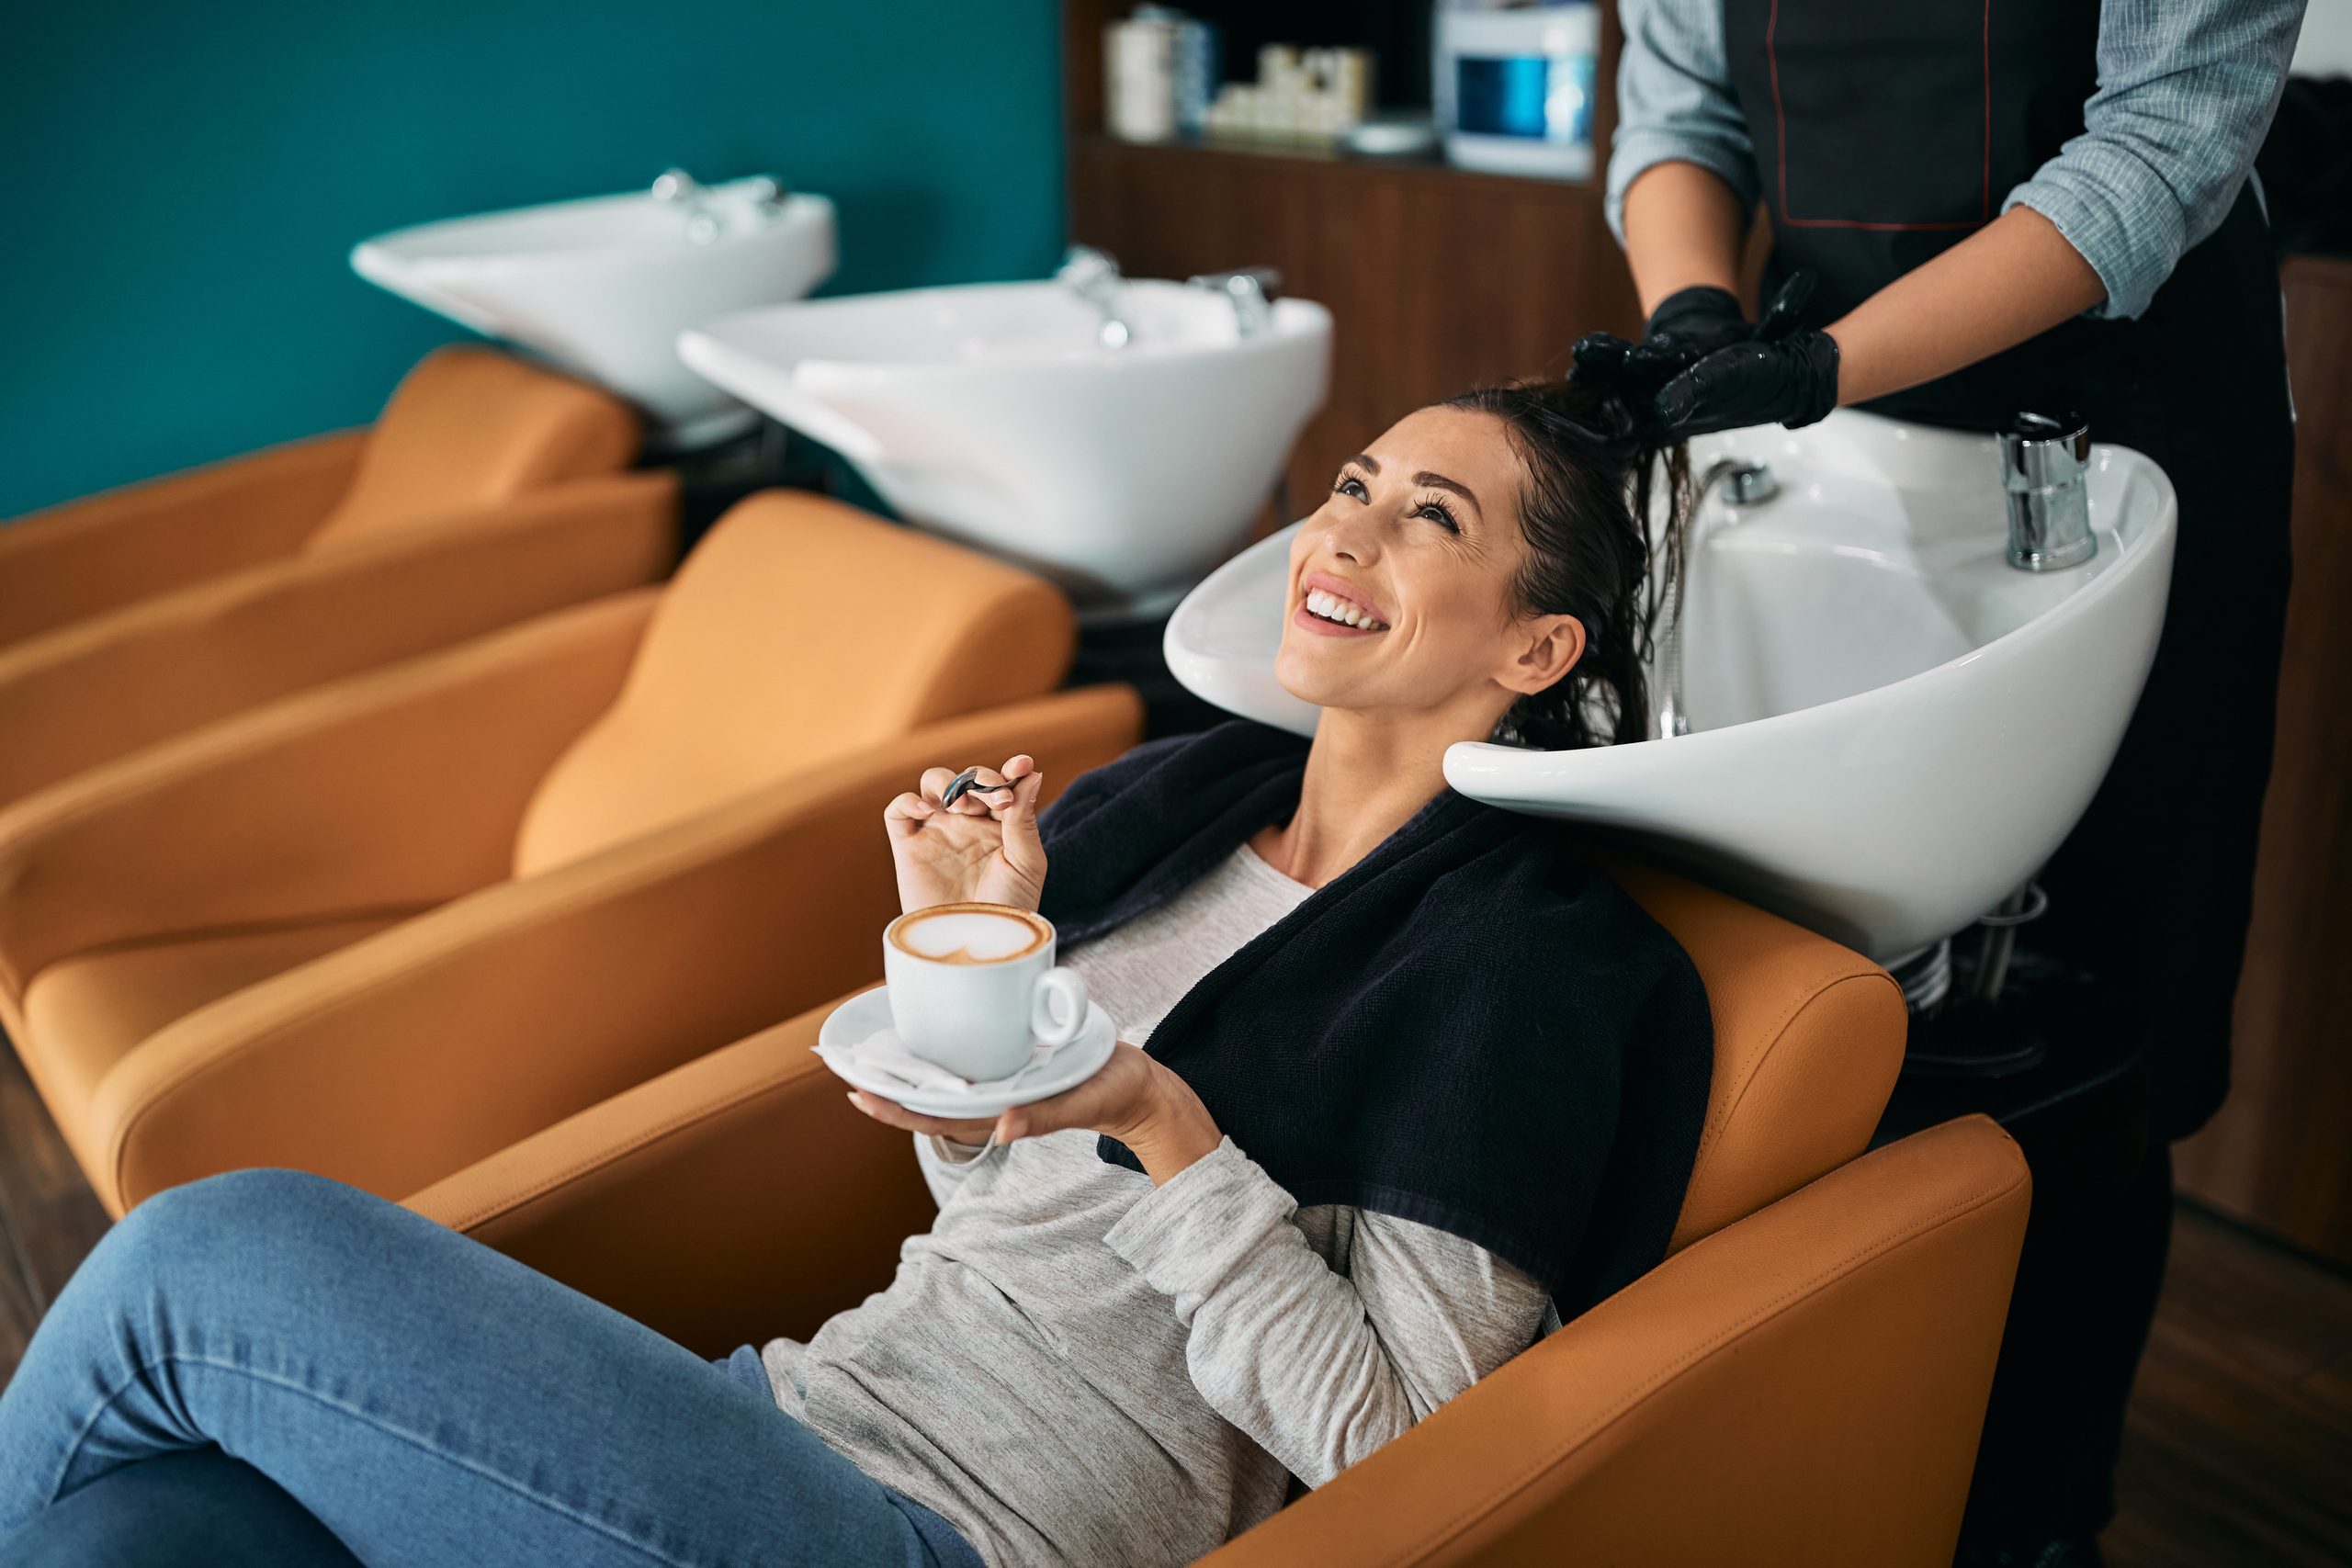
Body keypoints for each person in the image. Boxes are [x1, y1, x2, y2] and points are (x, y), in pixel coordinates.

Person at [0, 381, 1716, 1567]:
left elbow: (1407, 1439)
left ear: (1536, 645)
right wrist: (974, 957)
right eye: (1349, 487)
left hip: (957, 1539)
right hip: (795, 1415)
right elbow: (993, 1198)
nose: (1348, 532)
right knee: (133, 1537)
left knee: (207, 1255)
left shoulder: (1525, 967)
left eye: (1430, 518)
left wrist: (1168, 1129)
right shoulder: (1184, 812)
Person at [1581, 4, 2307, 1563]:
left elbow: (2163, 146)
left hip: (2123, 439)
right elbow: (1680, 114)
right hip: (1823, 454)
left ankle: (2040, 1521)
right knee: (1806, 990)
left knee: (2090, 1006)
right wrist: (1705, 319)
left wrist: (1825, 362)